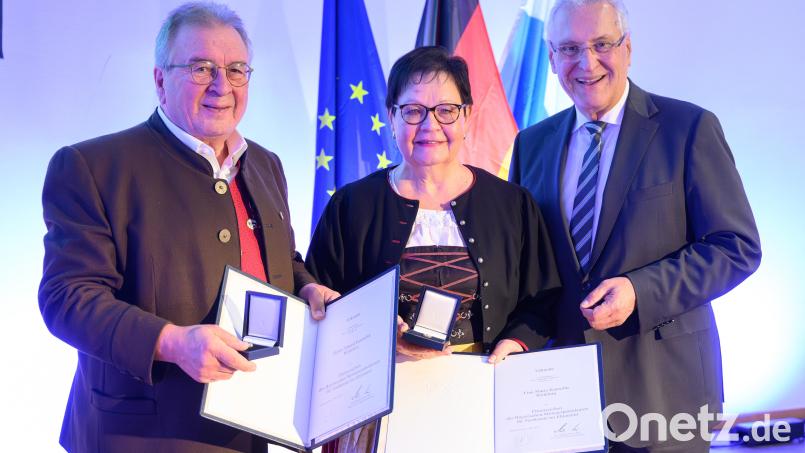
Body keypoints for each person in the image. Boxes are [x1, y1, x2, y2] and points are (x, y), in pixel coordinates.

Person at [38, 2, 338, 451]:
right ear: (160, 80)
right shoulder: (92, 166)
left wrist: (309, 287)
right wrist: (172, 342)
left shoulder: (267, 165)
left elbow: (279, 258)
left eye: (237, 70)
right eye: (201, 68)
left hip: (250, 431)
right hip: (138, 437)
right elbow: (68, 299)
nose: (222, 86)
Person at [509, 1, 761, 451]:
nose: (586, 63)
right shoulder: (531, 145)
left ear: (628, 48)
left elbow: (735, 247)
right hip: (563, 405)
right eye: (569, 49)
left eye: (602, 44)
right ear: (551, 58)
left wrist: (639, 291)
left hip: (666, 396)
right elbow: (527, 270)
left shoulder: (688, 128)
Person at [306, 46, 561, 452]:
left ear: (466, 117)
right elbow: (320, 305)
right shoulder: (351, 206)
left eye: (446, 110)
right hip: (377, 409)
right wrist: (378, 334)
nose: (430, 125)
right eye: (413, 111)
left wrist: (515, 342)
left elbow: (543, 299)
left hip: (480, 403)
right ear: (391, 116)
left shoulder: (512, 204)